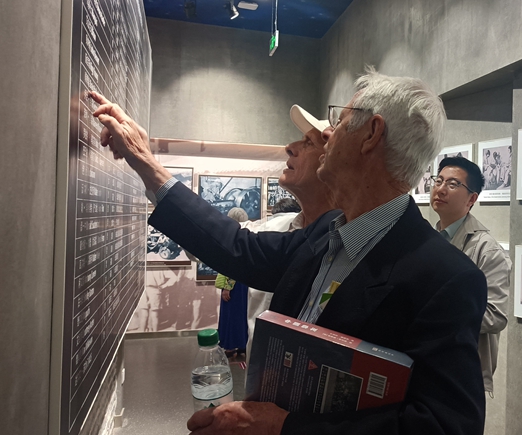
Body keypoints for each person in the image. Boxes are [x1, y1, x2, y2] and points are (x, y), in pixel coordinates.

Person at [88, 67, 486, 435]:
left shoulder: (446, 278)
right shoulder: (327, 233)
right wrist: (146, 164)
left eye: (338, 122)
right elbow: (238, 248)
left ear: (371, 134)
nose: (328, 135)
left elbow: (446, 426)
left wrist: (283, 427)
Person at [240, 104, 335, 366]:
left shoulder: (350, 246)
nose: (290, 147)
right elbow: (214, 239)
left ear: (333, 162)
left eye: (308, 142)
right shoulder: (273, 228)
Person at [431, 156, 510, 395]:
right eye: (439, 181)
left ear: (472, 199)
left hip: (461, 373)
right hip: (429, 360)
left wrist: (436, 314)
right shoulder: (430, 238)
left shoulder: (487, 250)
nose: (441, 189)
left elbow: (496, 316)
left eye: (453, 184)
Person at [215, 208, 250, 358]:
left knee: (230, 315)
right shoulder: (248, 235)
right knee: (243, 314)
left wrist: (227, 288)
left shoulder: (232, 237)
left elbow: (231, 265)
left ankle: (230, 346)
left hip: (233, 284)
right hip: (245, 283)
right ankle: (243, 345)